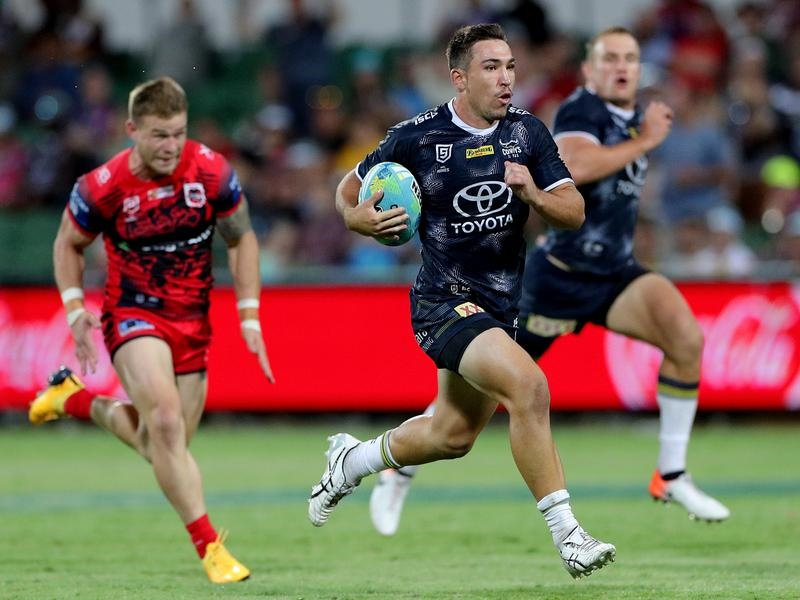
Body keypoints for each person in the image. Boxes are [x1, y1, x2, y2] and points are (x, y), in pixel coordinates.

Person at [370, 26, 731, 537]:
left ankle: (670, 474)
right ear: (588, 70)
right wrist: (647, 141)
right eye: (609, 58)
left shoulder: (630, 117)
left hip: (613, 272)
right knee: (479, 404)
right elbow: (577, 165)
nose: (621, 67)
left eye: (630, 58)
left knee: (685, 338)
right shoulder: (583, 111)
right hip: (556, 279)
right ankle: (399, 469)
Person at [308, 23, 616, 580]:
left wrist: (533, 193)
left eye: (510, 66)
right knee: (530, 387)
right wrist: (357, 219)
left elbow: (573, 212)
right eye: (491, 67)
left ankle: (352, 460)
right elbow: (347, 190)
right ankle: (569, 535)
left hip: (499, 309)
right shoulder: (417, 137)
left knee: (452, 436)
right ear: (459, 77)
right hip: (442, 302)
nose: (506, 78)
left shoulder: (528, 133)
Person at [28, 76, 274, 584]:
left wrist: (249, 314)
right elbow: (67, 243)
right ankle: (211, 548)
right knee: (163, 423)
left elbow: (242, 237)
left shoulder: (211, 172)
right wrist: (74, 309)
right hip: (133, 313)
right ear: (132, 130)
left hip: (193, 321)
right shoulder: (104, 186)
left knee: (162, 444)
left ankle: (74, 399)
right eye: (159, 134)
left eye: (178, 133)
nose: (171, 145)